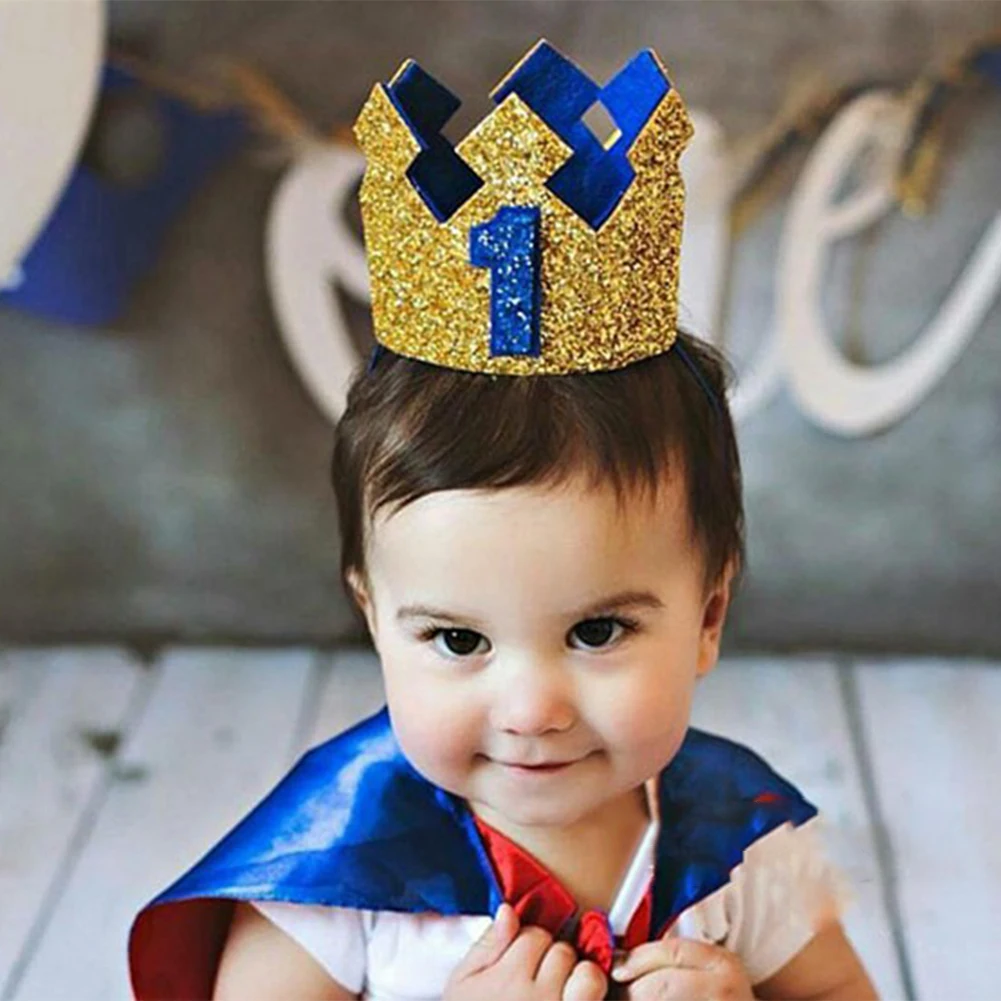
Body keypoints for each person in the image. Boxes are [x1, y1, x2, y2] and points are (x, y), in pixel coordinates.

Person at [129, 40, 878, 1001]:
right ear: (372, 616)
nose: (531, 708)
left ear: (707, 616)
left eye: (597, 630)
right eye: (457, 638)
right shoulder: (336, 867)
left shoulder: (740, 842)